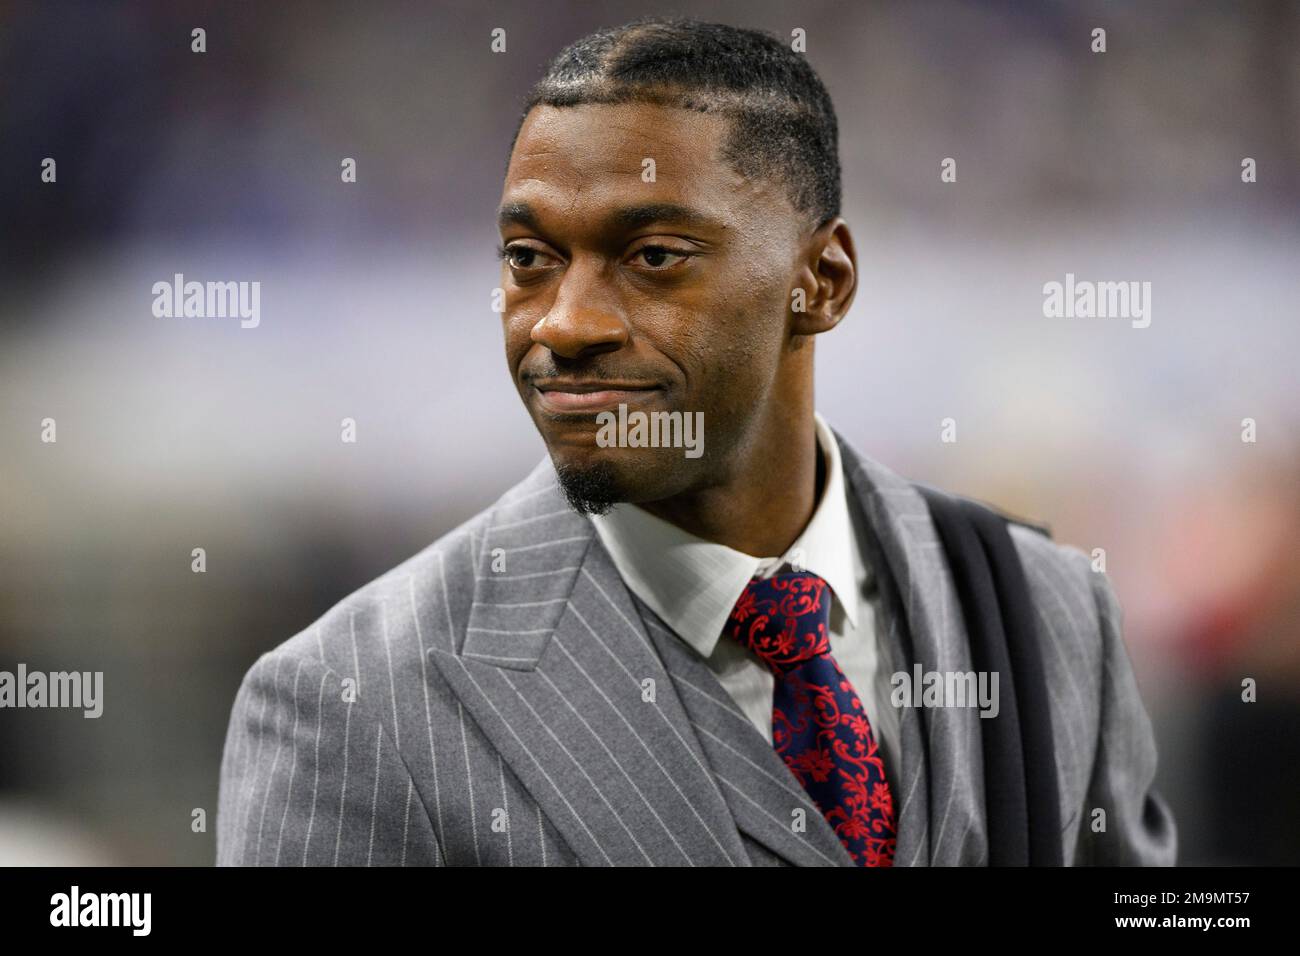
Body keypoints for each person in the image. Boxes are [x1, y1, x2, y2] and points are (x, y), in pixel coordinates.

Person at [216, 16, 1177, 867]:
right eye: (529, 260)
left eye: (653, 257)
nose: (565, 323)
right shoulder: (346, 704)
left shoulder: (1047, 610)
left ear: (823, 280)